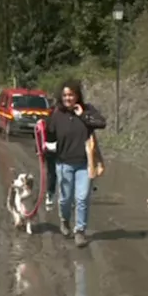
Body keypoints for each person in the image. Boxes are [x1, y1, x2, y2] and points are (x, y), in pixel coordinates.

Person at [43, 80, 106, 247]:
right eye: (64, 95)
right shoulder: (56, 114)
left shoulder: (87, 110)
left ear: (77, 95)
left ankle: (80, 231)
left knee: (82, 198)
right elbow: (48, 136)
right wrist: (42, 133)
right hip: (63, 163)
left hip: (85, 164)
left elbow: (102, 123)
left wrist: (83, 115)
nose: (68, 98)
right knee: (65, 199)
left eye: (71, 95)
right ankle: (64, 221)